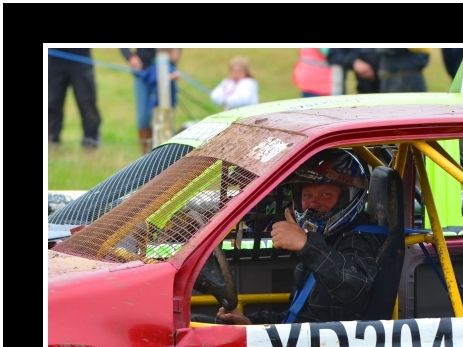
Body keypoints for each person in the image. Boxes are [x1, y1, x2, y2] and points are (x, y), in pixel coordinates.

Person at [216, 149, 384, 325]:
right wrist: (249, 322)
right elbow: (297, 318)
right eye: (307, 195)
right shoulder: (326, 241)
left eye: (325, 194)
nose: (313, 203)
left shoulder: (359, 238)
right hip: (305, 343)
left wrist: (306, 244)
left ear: (347, 198)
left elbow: (355, 286)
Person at [120, 48, 182, 153]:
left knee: (165, 114)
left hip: (167, 69)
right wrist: (130, 56)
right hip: (143, 70)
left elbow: (175, 54)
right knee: (143, 118)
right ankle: (146, 157)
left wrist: (175, 53)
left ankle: (165, 154)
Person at [48, 48, 101, 148]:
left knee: (87, 102)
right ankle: (51, 140)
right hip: (54, 56)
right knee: (52, 102)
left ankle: (91, 141)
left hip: (80, 56)